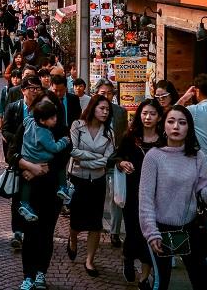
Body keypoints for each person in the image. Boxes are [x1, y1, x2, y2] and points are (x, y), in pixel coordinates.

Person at [139, 106, 207, 290]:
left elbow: (202, 192)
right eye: (171, 121)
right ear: (164, 126)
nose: (176, 126)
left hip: (190, 227)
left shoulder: (197, 156)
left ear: (189, 128)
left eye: (182, 122)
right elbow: (145, 200)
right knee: (161, 283)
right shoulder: (153, 157)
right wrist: (151, 233)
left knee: (200, 281)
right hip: (161, 230)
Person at [7, 91, 61, 290]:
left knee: (46, 233)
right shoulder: (27, 125)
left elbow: (62, 158)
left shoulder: (59, 129)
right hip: (29, 189)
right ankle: (28, 275)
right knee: (30, 233)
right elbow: (12, 153)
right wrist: (29, 166)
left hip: (51, 190)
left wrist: (41, 169)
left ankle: (41, 273)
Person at [113, 98, 164, 287]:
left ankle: (144, 276)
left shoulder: (164, 139)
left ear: (159, 117)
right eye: (144, 113)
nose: (147, 117)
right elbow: (117, 156)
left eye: (152, 113)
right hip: (134, 191)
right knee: (133, 230)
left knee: (149, 233)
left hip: (157, 193)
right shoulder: (131, 136)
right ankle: (128, 256)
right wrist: (122, 162)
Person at [66, 94, 115, 277]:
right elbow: (74, 150)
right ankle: (72, 240)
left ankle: (89, 260)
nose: (104, 112)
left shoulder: (108, 132)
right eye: (101, 108)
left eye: (107, 109)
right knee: (77, 218)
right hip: (78, 178)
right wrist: (96, 158)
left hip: (98, 180)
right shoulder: (77, 126)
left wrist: (87, 160)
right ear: (93, 107)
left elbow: (109, 158)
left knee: (95, 222)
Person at [1, 74, 45, 250]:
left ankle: (33, 230)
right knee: (17, 197)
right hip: (19, 158)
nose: (35, 91)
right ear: (23, 90)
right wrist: (21, 141)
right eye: (32, 88)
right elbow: (5, 130)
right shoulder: (14, 107)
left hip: (38, 160)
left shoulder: (44, 108)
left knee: (36, 196)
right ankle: (17, 232)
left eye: (37, 88)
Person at [18, 98, 72, 222]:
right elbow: (54, 148)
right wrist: (63, 141)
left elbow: (28, 119)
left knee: (27, 182)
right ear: (42, 120)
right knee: (60, 168)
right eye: (52, 118)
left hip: (27, 156)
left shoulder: (29, 121)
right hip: (41, 158)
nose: (55, 120)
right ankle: (63, 187)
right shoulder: (45, 132)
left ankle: (24, 203)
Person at [95, 79, 128, 247]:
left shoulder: (120, 112)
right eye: (102, 93)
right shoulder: (89, 113)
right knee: (98, 197)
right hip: (95, 162)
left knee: (117, 197)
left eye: (109, 93)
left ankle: (115, 232)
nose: (106, 96)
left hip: (115, 161)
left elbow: (124, 136)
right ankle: (96, 226)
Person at [50, 73, 82, 139]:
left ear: (66, 88)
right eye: (55, 90)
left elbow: (78, 116)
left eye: (61, 90)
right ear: (51, 87)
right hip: (53, 136)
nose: (58, 93)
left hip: (71, 134)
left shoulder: (74, 99)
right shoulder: (48, 100)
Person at [0, 68, 23, 133]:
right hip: (8, 116)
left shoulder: (23, 90)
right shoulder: (5, 89)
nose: (15, 80)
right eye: (13, 77)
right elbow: (1, 104)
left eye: (18, 78)